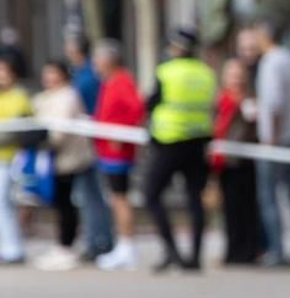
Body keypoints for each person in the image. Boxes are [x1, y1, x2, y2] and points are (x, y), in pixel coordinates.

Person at [144, 27, 217, 272]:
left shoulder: (167, 71)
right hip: (198, 141)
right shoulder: (206, 73)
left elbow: (152, 102)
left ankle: (171, 249)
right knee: (195, 199)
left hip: (169, 140)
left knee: (152, 194)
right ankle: (195, 256)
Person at [31, 60, 97, 271]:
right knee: (60, 202)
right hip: (52, 159)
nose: (49, 77)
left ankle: (68, 247)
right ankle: (62, 245)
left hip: (68, 158)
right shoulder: (45, 97)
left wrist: (40, 140)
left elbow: (59, 132)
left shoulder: (68, 96)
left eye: (53, 73)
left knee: (67, 203)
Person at [253, 21, 290, 267]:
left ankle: (277, 251)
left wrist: (272, 140)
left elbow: (274, 103)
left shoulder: (270, 62)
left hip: (276, 140)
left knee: (270, 196)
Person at [90, 40, 145, 271]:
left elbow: (136, 109)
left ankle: (127, 245)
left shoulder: (122, 81)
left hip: (118, 152)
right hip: (106, 150)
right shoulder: (109, 83)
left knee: (120, 198)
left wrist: (120, 133)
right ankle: (122, 244)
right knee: (115, 198)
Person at [64, 33, 113, 259]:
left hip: (89, 143)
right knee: (90, 194)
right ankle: (99, 239)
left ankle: (99, 241)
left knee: (91, 194)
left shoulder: (87, 77)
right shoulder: (81, 74)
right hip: (86, 140)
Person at [213, 57, 263, 266]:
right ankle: (233, 250)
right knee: (229, 209)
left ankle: (249, 250)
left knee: (247, 206)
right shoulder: (219, 100)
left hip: (244, 160)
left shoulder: (249, 100)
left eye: (238, 74)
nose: (235, 78)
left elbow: (252, 127)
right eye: (231, 74)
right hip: (224, 161)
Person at [0, 56, 32, 264]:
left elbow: (20, 128)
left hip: (13, 157)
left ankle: (14, 247)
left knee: (7, 202)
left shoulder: (19, 97)